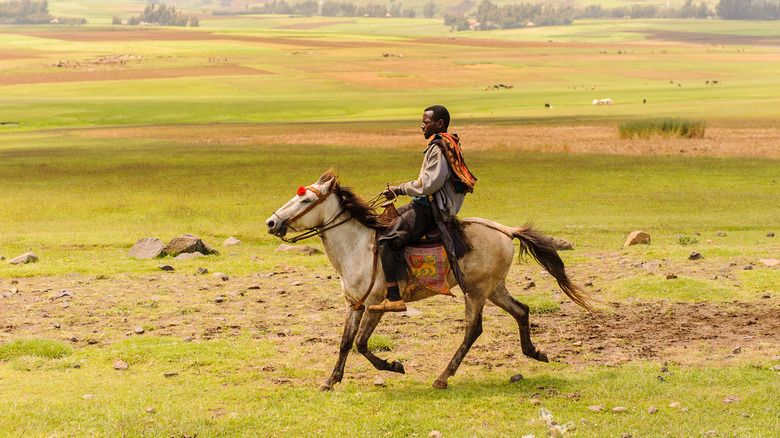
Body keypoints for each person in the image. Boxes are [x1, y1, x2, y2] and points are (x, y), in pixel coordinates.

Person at [369, 105, 476, 313]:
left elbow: (429, 185)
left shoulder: (439, 147)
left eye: (425, 122)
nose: (422, 126)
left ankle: (393, 296)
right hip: (424, 203)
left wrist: (400, 189)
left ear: (440, 124)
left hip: (431, 208)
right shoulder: (446, 143)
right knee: (384, 222)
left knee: (387, 239)